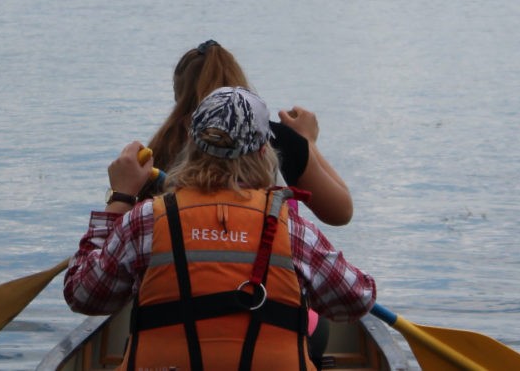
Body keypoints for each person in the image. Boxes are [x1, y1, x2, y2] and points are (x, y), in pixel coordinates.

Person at [64, 86, 377, 370]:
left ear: (191, 143)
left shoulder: (145, 220)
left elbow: (83, 295)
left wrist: (120, 198)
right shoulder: (291, 228)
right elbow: (358, 299)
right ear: (262, 152)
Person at [148, 40, 353, 226]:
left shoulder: (161, 147)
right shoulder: (275, 138)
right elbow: (340, 212)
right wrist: (307, 141)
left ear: (179, 96)